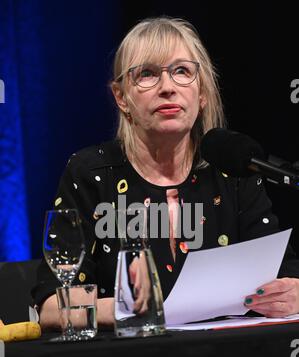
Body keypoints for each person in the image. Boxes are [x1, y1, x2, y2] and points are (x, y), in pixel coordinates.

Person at [32, 16, 299, 329]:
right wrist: (136, 308)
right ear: (122, 98)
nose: (167, 87)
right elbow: (51, 306)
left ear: (201, 94)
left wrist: (292, 293)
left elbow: (285, 274)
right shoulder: (91, 174)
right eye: (147, 74)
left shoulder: (235, 169)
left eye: (182, 71)